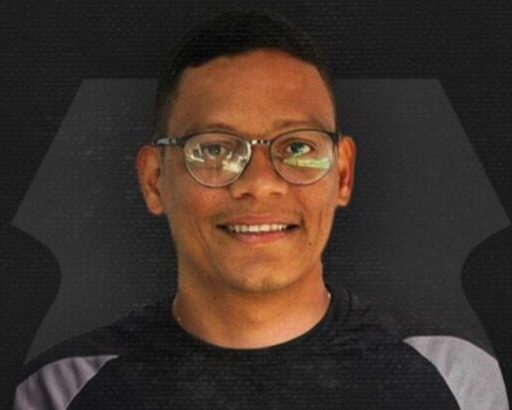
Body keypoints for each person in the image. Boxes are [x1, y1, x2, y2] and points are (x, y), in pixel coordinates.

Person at [12, 10, 506, 410]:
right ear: (154, 179)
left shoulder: (455, 376)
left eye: (297, 147)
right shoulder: (62, 390)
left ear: (342, 174)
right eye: (213, 148)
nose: (259, 183)